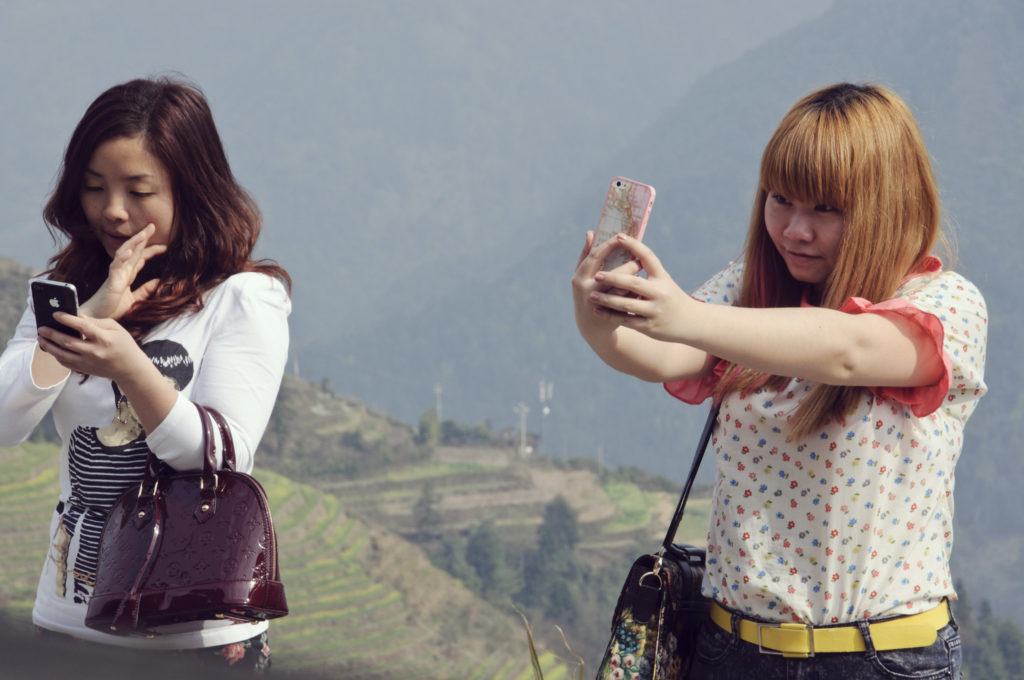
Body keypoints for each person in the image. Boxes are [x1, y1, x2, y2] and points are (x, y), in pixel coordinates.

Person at [573, 83, 986, 679]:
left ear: (889, 204)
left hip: (880, 660)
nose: (794, 229)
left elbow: (847, 351)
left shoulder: (944, 305)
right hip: (731, 650)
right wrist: (597, 320)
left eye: (826, 208)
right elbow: (663, 355)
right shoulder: (752, 291)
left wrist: (687, 316)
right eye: (780, 200)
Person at [0, 76, 291, 673]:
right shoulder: (66, 298)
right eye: (94, 188)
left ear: (191, 190)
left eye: (139, 191)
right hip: (67, 625)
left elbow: (224, 459)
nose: (113, 211)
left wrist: (130, 366)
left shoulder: (241, 297)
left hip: (197, 639)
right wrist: (92, 318)